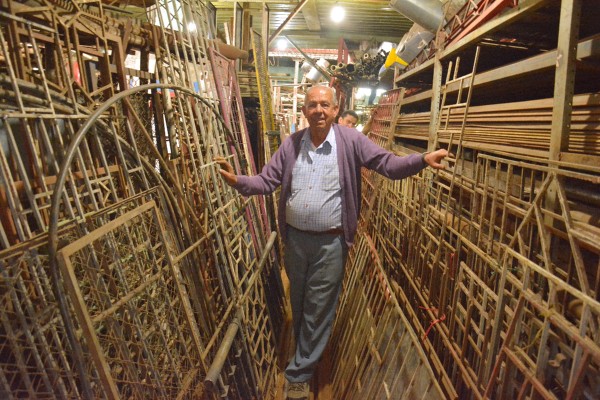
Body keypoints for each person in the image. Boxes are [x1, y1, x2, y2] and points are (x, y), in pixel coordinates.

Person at [216, 85, 447, 399]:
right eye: (312, 105)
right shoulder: (292, 144)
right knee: (299, 302)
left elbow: (388, 164)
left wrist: (422, 159)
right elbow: (267, 180)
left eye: (325, 105)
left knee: (318, 308)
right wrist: (238, 181)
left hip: (331, 244)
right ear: (304, 111)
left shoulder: (350, 141)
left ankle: (299, 374)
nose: (319, 111)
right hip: (296, 241)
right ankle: (304, 352)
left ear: (336, 109)